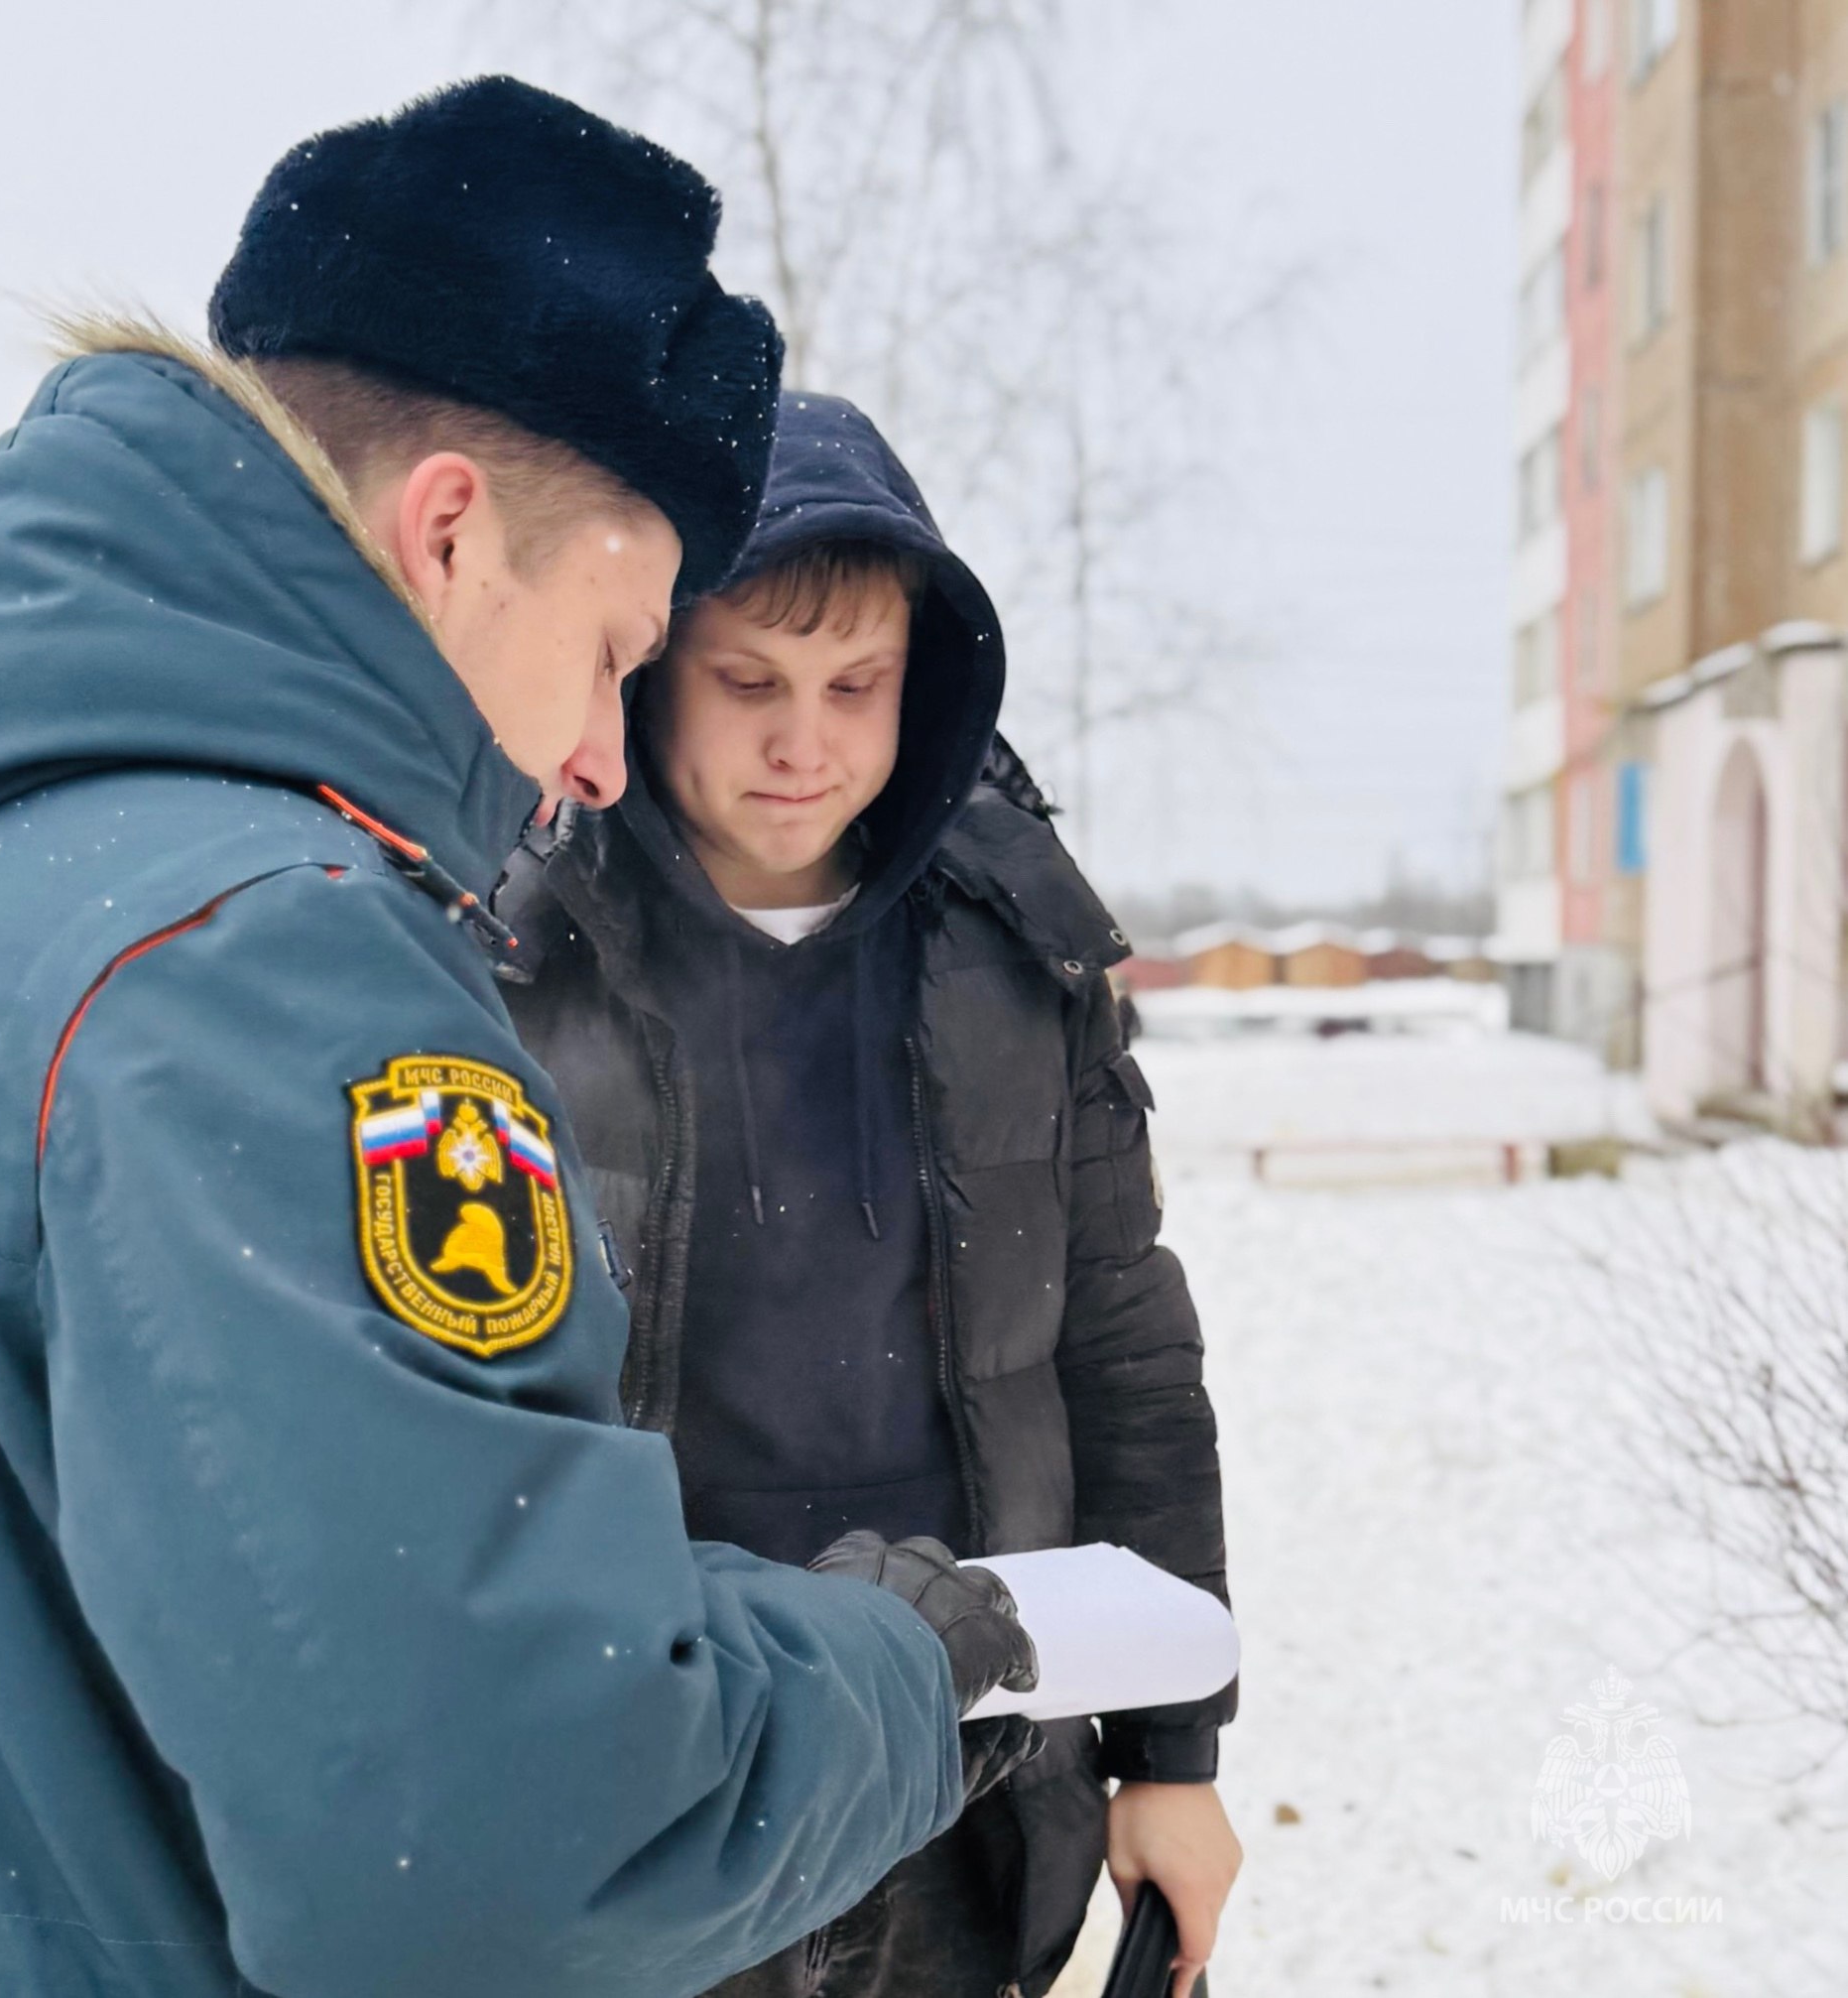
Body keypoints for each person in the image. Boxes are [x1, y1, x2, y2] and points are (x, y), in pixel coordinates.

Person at [0, 80, 1042, 1998]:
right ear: (449, 535)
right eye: (615, 648)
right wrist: (905, 1672)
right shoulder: (267, 969)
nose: (600, 754)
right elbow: (503, 1858)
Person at [499, 393, 1242, 1998]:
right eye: (747, 681)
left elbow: (1122, 1352)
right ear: (647, 665)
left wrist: (1169, 1752)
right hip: (648, 1779)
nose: (804, 742)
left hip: (972, 1771)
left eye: (856, 685)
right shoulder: (508, 954)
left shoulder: (1017, 948)